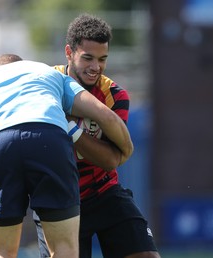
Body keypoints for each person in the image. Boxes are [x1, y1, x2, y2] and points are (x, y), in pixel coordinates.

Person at [0, 54, 133, 258]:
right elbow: (105, 115)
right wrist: (125, 151)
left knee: (0, 253)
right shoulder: (46, 71)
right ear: (23, 65)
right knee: (64, 249)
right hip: (48, 139)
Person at [34, 14, 161, 258]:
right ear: (69, 52)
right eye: (88, 58)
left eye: (102, 59)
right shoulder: (45, 85)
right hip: (58, 201)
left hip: (103, 192)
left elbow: (110, 159)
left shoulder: (115, 95)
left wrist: (70, 127)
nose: (96, 67)